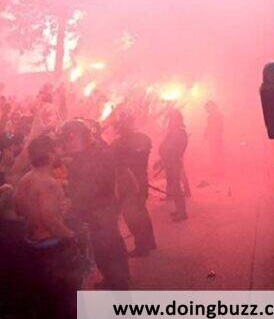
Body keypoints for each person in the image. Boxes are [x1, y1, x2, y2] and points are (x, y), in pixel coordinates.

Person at [14, 135, 82, 319]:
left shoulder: (25, 179)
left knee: (43, 296)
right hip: (51, 246)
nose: (59, 153)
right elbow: (49, 218)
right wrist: (70, 235)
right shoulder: (49, 183)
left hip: (33, 244)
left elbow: (18, 209)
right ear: (50, 154)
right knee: (62, 298)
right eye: (56, 150)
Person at [60, 119, 130, 289]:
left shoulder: (96, 156)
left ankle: (119, 294)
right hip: (101, 208)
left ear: (81, 136)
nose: (67, 144)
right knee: (111, 247)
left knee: (107, 250)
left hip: (100, 210)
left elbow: (93, 186)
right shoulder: (93, 150)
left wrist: (74, 202)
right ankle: (116, 279)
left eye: (70, 139)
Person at [111, 112, 156, 256]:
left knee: (132, 215)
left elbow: (112, 161)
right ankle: (149, 242)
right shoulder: (143, 138)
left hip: (129, 182)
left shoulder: (119, 144)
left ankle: (142, 247)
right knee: (141, 211)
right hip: (141, 178)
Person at [157, 109, 189, 221]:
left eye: (172, 119)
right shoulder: (174, 131)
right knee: (173, 186)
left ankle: (182, 213)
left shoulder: (179, 132)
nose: (170, 121)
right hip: (169, 161)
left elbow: (176, 149)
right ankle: (179, 210)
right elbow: (166, 146)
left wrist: (167, 158)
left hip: (173, 162)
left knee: (176, 187)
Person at [204, 101, 225, 171]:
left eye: (207, 108)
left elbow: (220, 127)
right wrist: (206, 134)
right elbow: (208, 127)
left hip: (216, 138)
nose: (206, 110)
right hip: (212, 138)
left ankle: (219, 169)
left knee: (217, 153)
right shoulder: (209, 117)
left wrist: (215, 135)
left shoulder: (219, 116)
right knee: (213, 153)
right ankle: (216, 168)